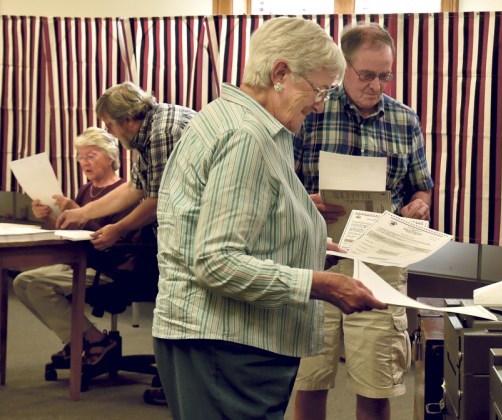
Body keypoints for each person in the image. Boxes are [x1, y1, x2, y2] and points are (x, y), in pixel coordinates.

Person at [151, 17, 387, 419]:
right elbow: (217, 262)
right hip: (227, 345)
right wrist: (318, 283)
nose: (319, 105)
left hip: (213, 338)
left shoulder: (229, 117)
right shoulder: (249, 136)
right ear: (280, 73)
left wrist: (308, 240)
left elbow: (229, 227)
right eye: (319, 89)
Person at [293, 23, 434, 420]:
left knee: (376, 384)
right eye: (367, 75)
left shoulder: (405, 120)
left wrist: (418, 206)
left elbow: (421, 187)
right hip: (315, 255)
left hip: (379, 262)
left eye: (385, 75)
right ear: (344, 68)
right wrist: (307, 200)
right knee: (310, 379)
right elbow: (278, 186)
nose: (377, 85)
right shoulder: (312, 111)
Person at [13, 127, 137, 366]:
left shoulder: (123, 192)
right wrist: (48, 218)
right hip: (82, 262)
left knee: (38, 286)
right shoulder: (86, 189)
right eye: (80, 157)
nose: (84, 163)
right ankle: (79, 341)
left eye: (91, 156)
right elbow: (74, 233)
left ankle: (96, 341)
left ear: (111, 157)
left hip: (109, 268)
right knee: (21, 282)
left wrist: (78, 212)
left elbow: (111, 242)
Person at [56, 81, 196, 251]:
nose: (110, 133)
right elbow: (133, 189)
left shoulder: (162, 133)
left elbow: (159, 201)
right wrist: (81, 213)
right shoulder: (151, 126)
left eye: (109, 125)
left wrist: (118, 229)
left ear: (127, 120)